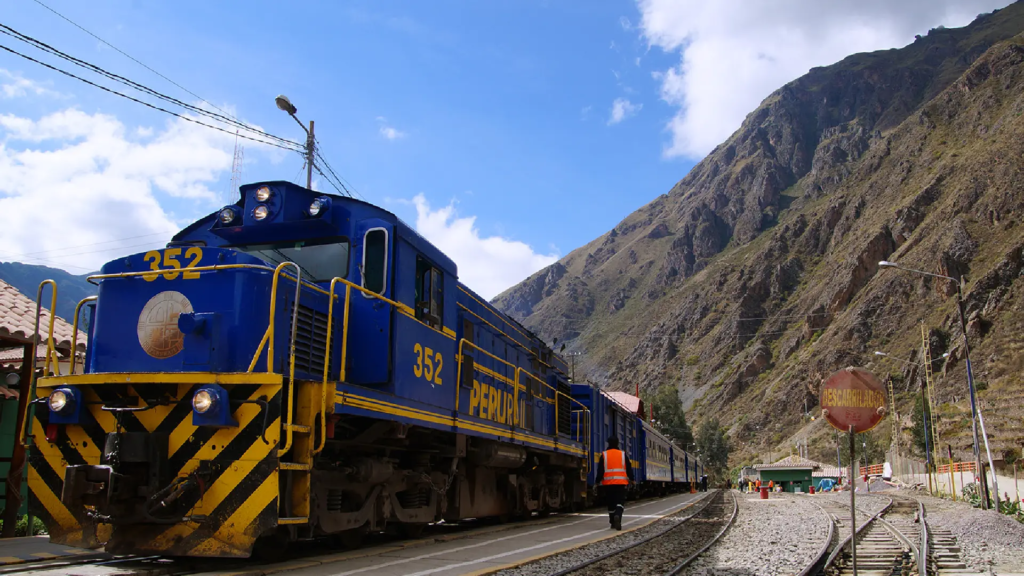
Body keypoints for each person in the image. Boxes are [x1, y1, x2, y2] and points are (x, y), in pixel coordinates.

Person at [596, 436, 633, 530]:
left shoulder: (604, 455)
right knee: (620, 502)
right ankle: (618, 516)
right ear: (617, 443)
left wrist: (597, 482)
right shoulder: (623, 454)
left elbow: (600, 470)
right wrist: (632, 480)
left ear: (608, 443)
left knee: (611, 503)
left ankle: (612, 522)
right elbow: (629, 469)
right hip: (621, 483)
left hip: (608, 484)